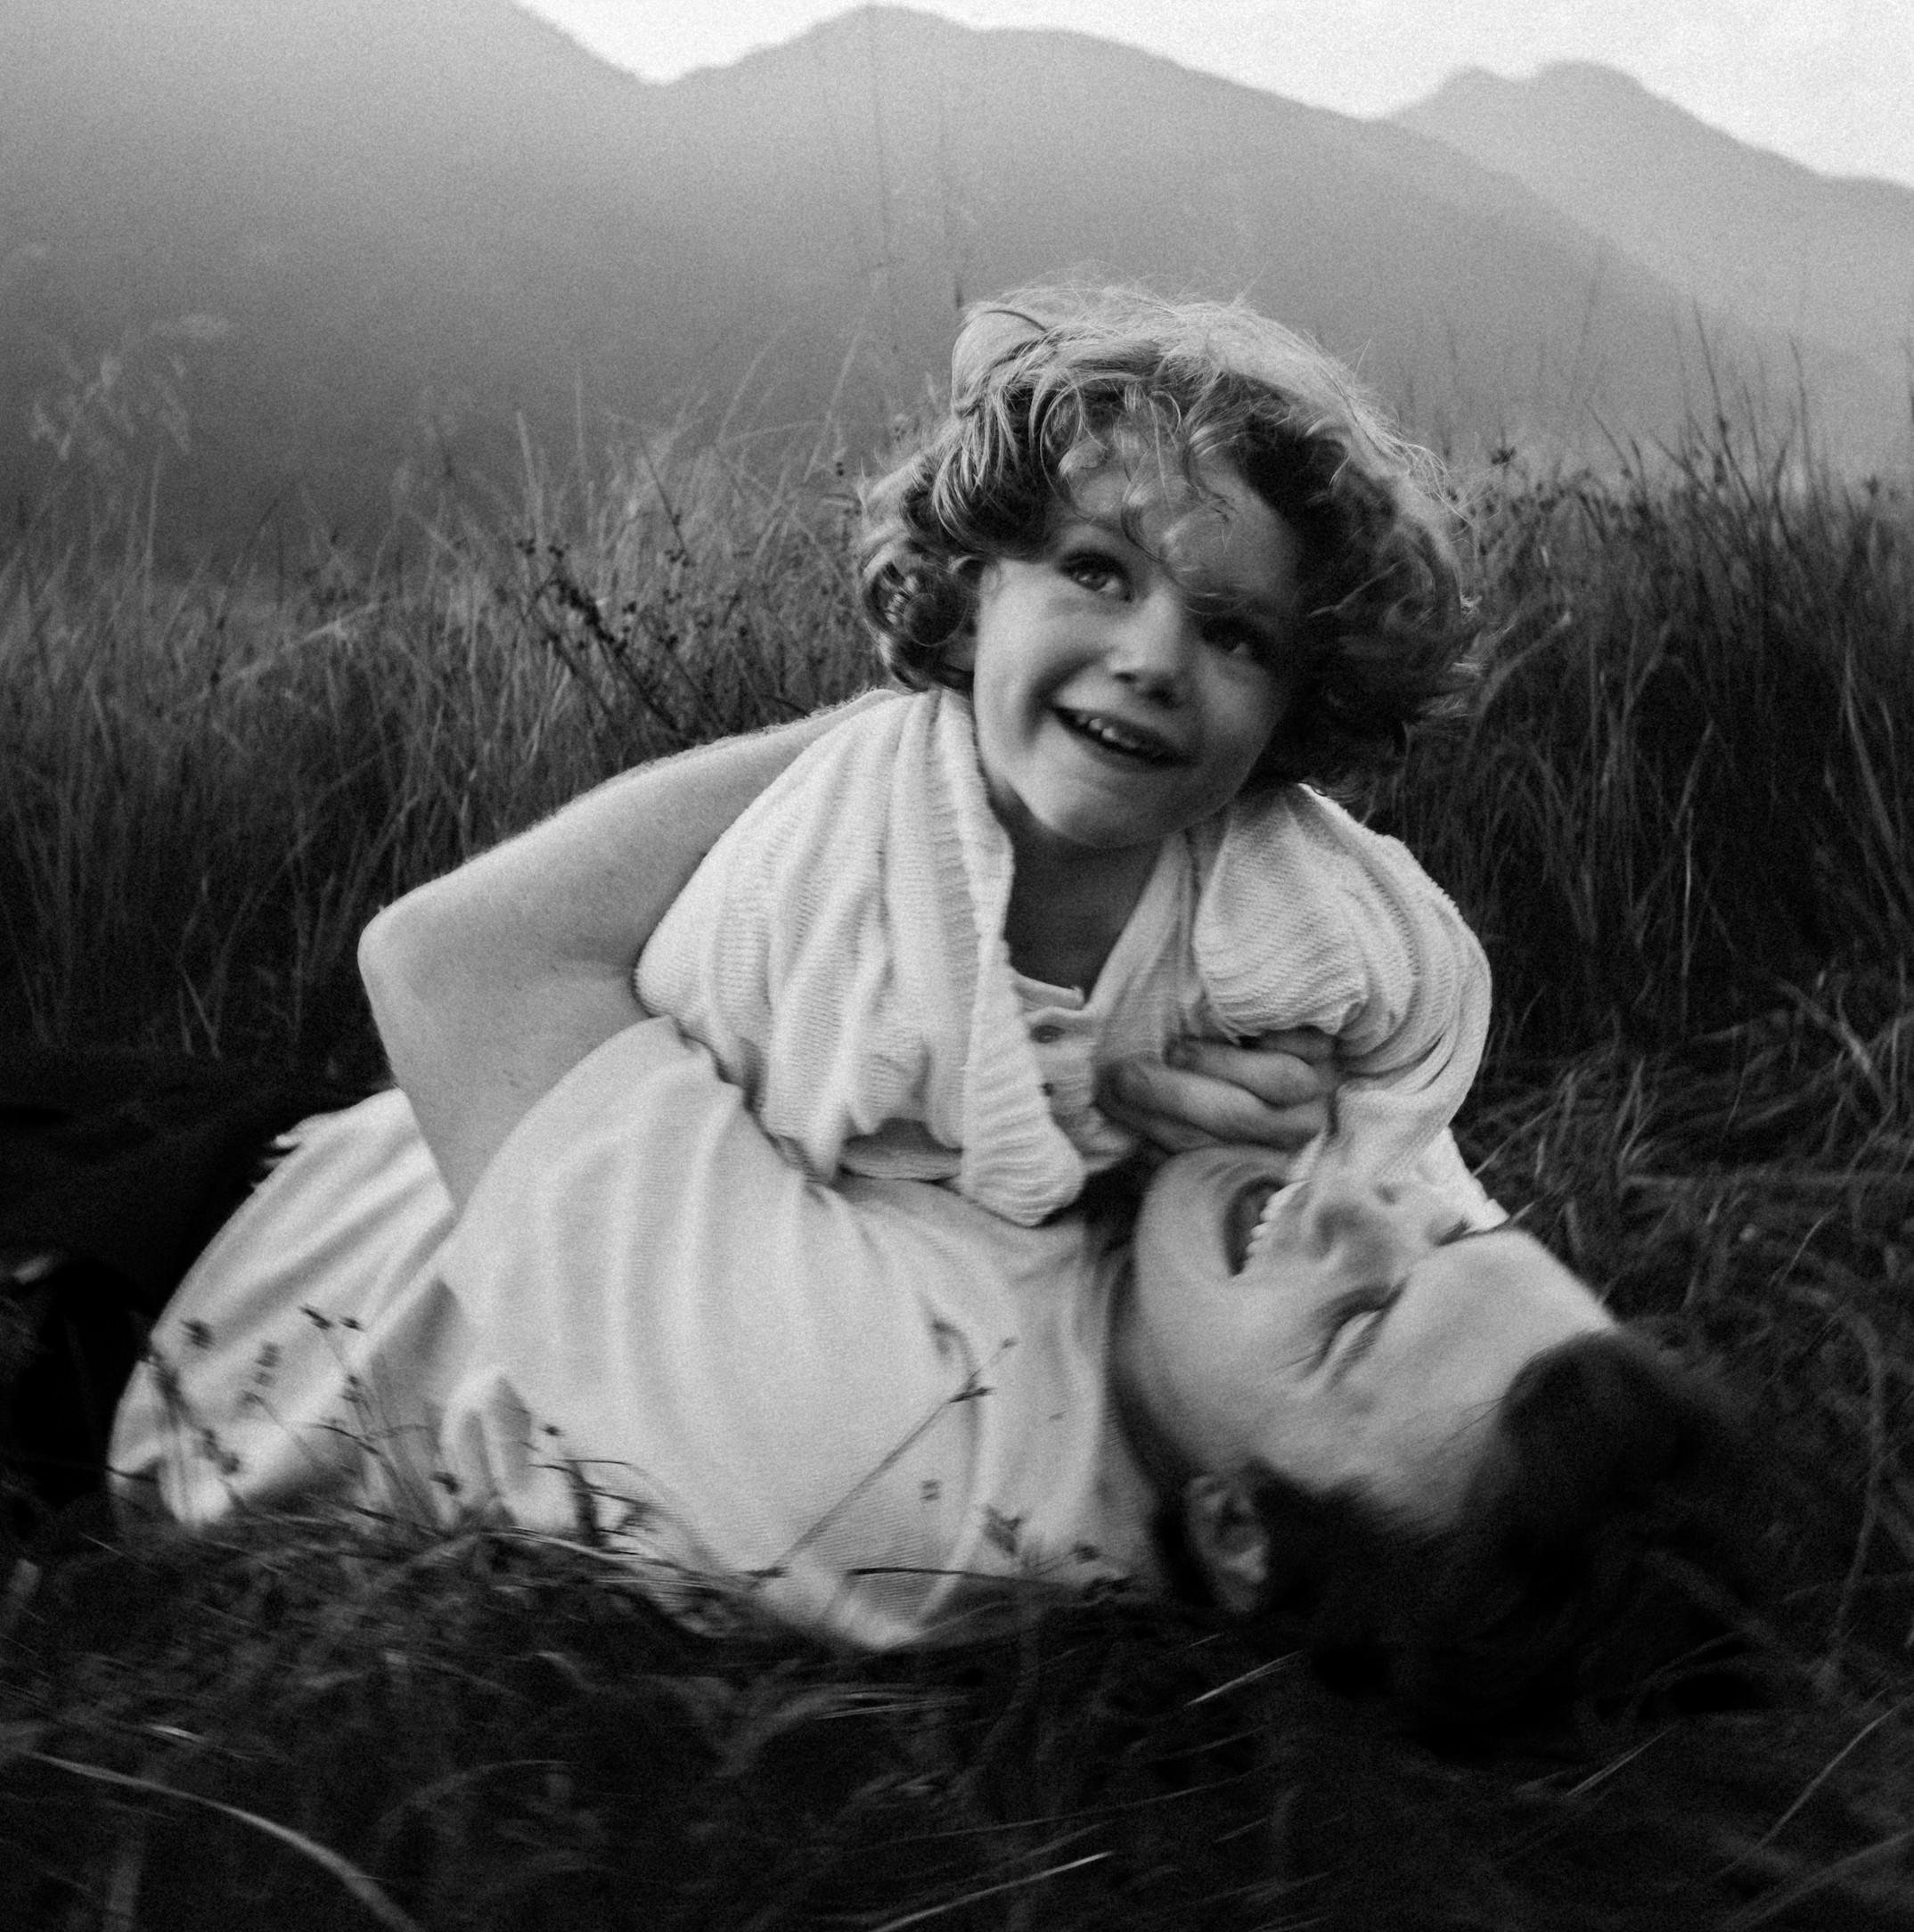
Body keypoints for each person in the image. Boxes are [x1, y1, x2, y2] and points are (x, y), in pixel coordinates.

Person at [633, 287, 1491, 1226]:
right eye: (1095, 571)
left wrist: (1338, 1154)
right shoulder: (823, 884)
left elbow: (1433, 1008)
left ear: (1293, 712)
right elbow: (704, 1164)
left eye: (1237, 635)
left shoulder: (1289, 888)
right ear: (968, 598)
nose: (1155, 661)